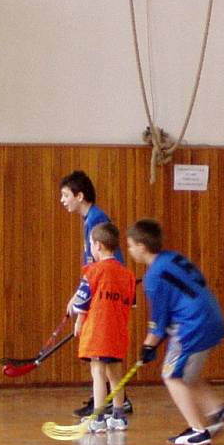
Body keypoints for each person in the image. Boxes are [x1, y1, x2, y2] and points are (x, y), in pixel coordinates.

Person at [127, 218, 224, 445]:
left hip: (191, 326)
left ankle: (199, 431)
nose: (129, 250)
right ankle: (218, 410)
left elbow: (159, 319)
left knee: (171, 376)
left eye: (130, 245)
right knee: (188, 375)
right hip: (211, 316)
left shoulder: (153, 277)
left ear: (142, 246)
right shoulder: (172, 257)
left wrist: (148, 345)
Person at [59, 170, 134, 418]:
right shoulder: (90, 218)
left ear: (80, 196)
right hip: (103, 288)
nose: (62, 200)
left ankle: (105, 407)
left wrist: (79, 301)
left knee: (101, 358)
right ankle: (112, 403)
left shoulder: (96, 220)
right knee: (108, 359)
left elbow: (97, 266)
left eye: (65, 195)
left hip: (104, 294)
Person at [71, 223, 137, 433]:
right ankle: (118, 415)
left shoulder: (92, 272)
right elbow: (131, 303)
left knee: (98, 372)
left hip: (98, 331)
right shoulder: (127, 275)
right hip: (117, 330)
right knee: (115, 372)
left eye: (90, 244)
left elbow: (81, 303)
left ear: (98, 246)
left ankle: (98, 418)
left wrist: (79, 322)